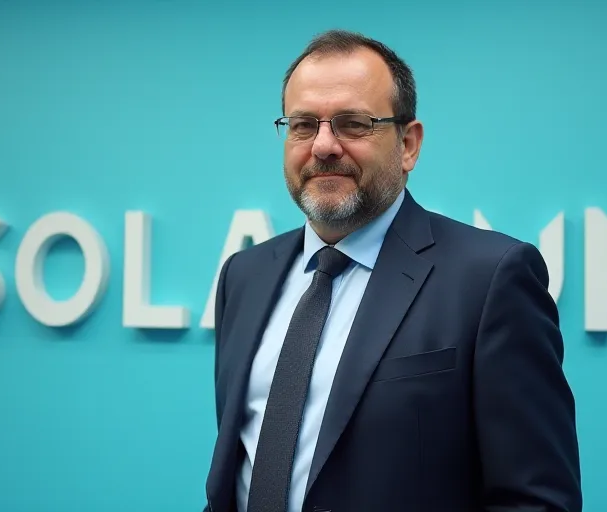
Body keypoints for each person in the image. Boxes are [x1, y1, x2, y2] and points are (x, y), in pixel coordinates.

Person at [203, 29, 582, 512]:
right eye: (303, 125)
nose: (323, 146)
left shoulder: (490, 280)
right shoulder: (245, 276)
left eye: (353, 124)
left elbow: (537, 500)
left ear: (409, 144)